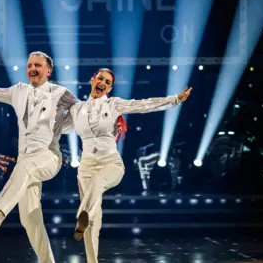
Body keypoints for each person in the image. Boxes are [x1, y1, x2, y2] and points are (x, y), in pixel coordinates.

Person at [0, 53, 122, 262]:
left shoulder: (60, 93)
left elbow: (83, 111)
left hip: (49, 157)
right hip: (25, 163)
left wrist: (111, 122)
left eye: (38, 65)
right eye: (29, 65)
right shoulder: (17, 91)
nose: (33, 68)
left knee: (25, 168)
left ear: (48, 71)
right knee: (29, 218)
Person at [69, 68, 192, 263]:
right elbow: (57, 124)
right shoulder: (76, 109)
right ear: (92, 80)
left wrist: (175, 99)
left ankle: (82, 213)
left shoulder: (113, 104)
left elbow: (144, 105)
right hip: (85, 166)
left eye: (107, 81)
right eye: (100, 78)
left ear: (110, 87)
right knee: (94, 222)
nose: (102, 82)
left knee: (98, 182)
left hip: (111, 164)